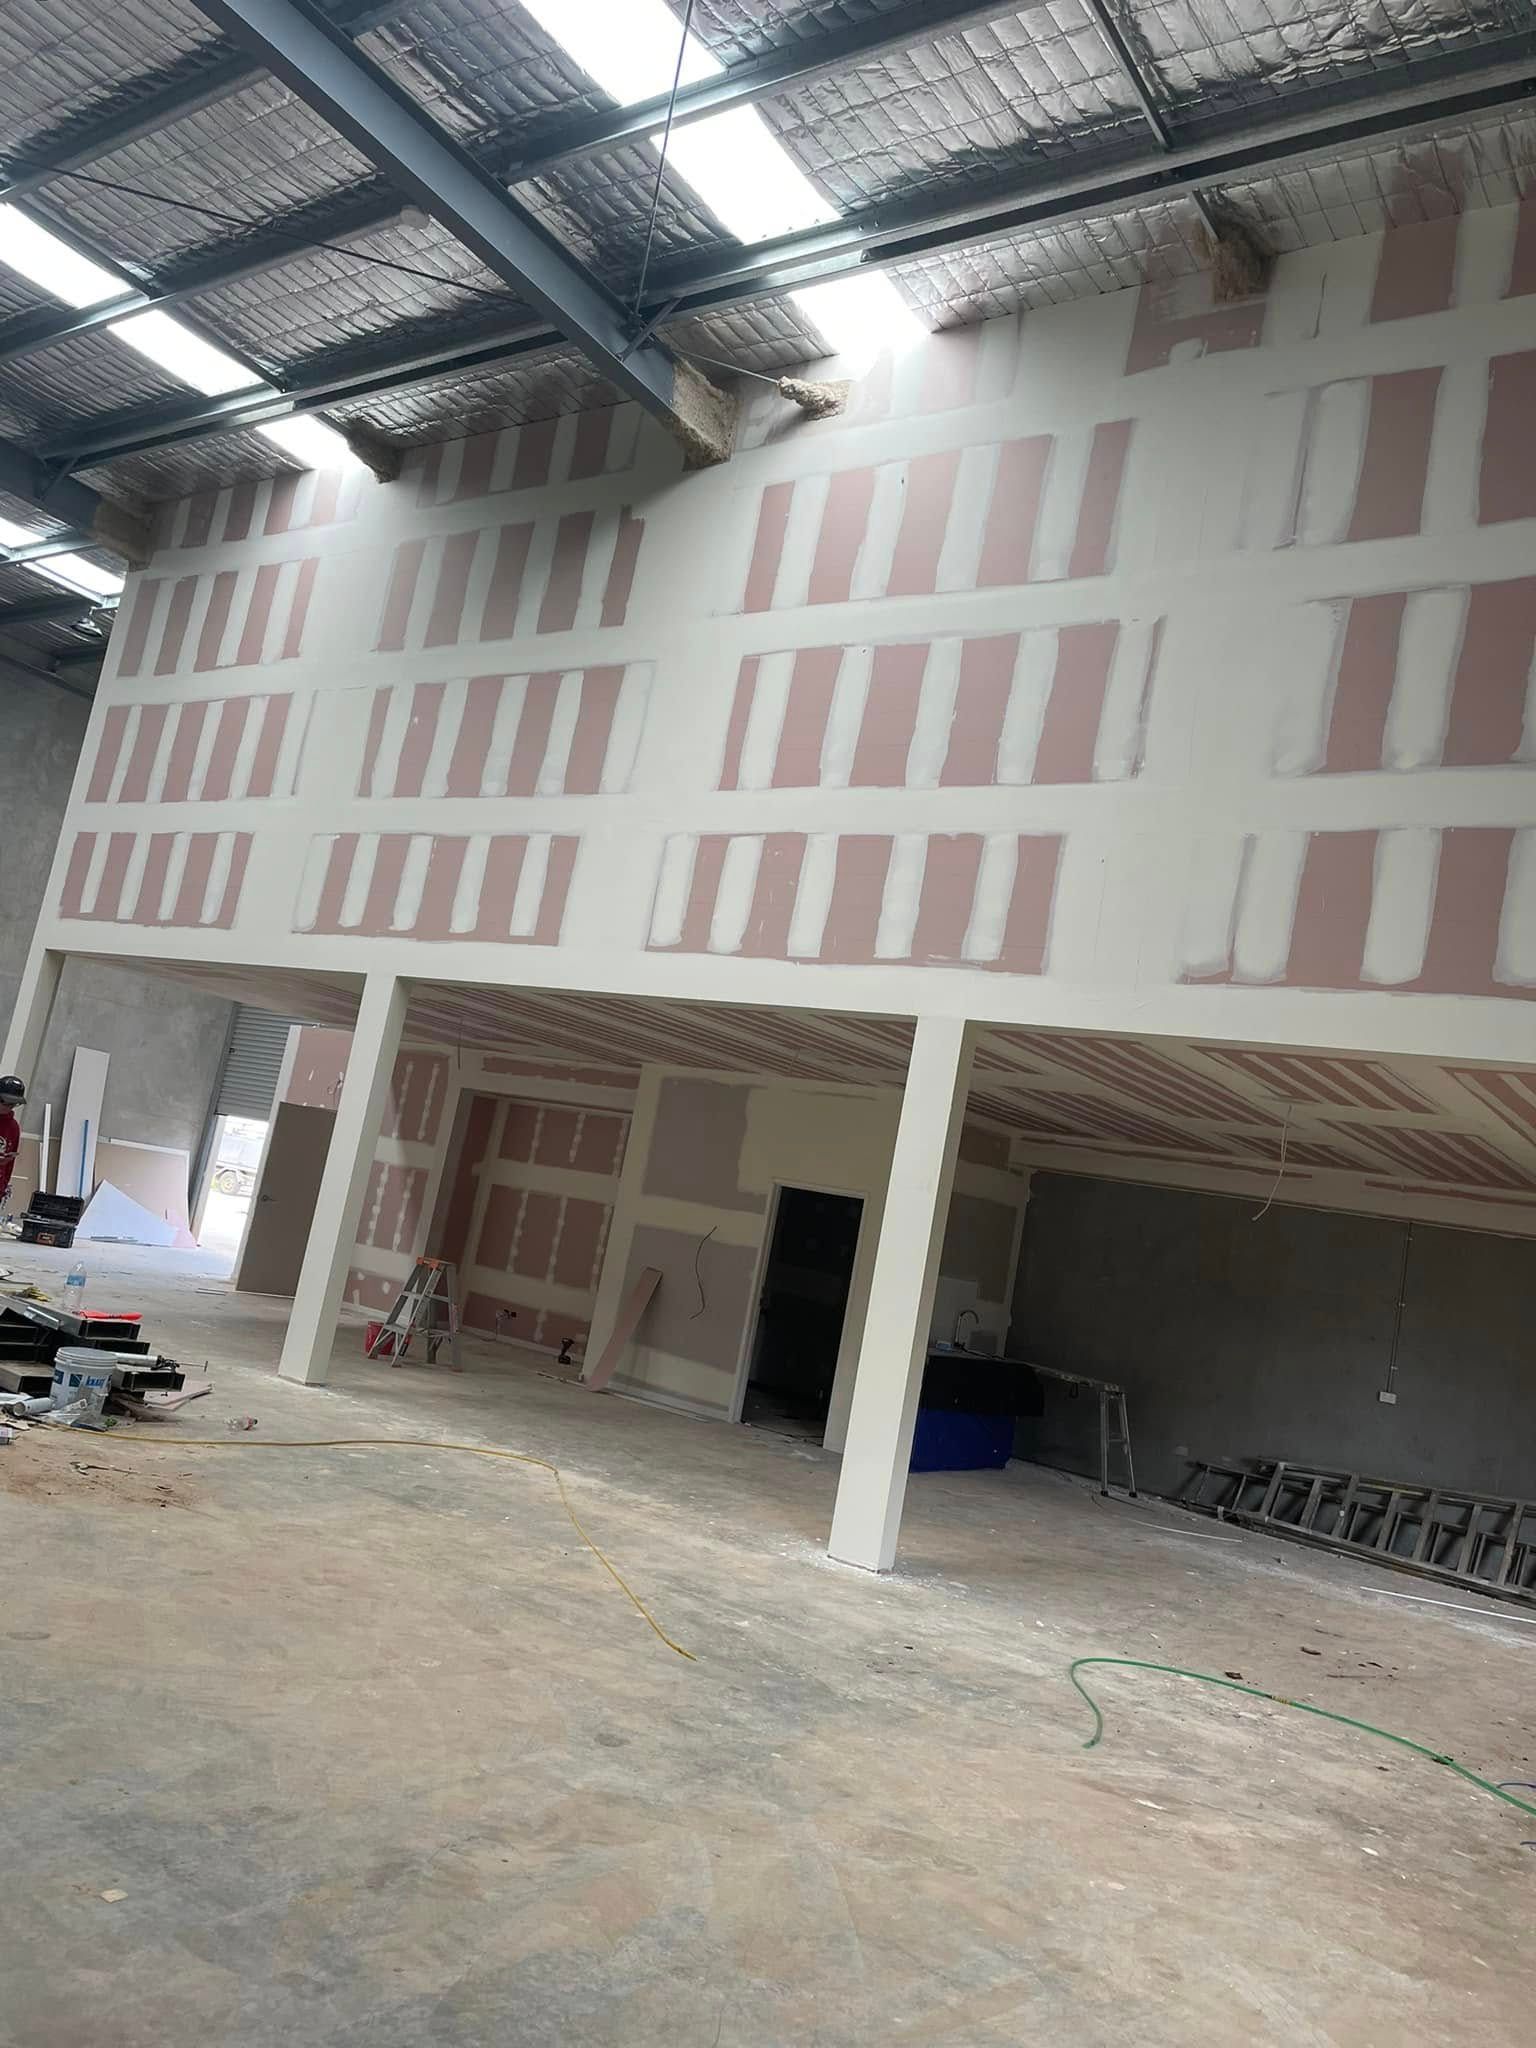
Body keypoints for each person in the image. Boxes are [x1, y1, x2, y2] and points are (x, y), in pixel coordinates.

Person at [0, 1075, 24, 1213]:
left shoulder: (13, 1127)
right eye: (6, 1103)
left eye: (13, 1104)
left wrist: (3, 1188)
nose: (9, 1107)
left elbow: (10, 1164)